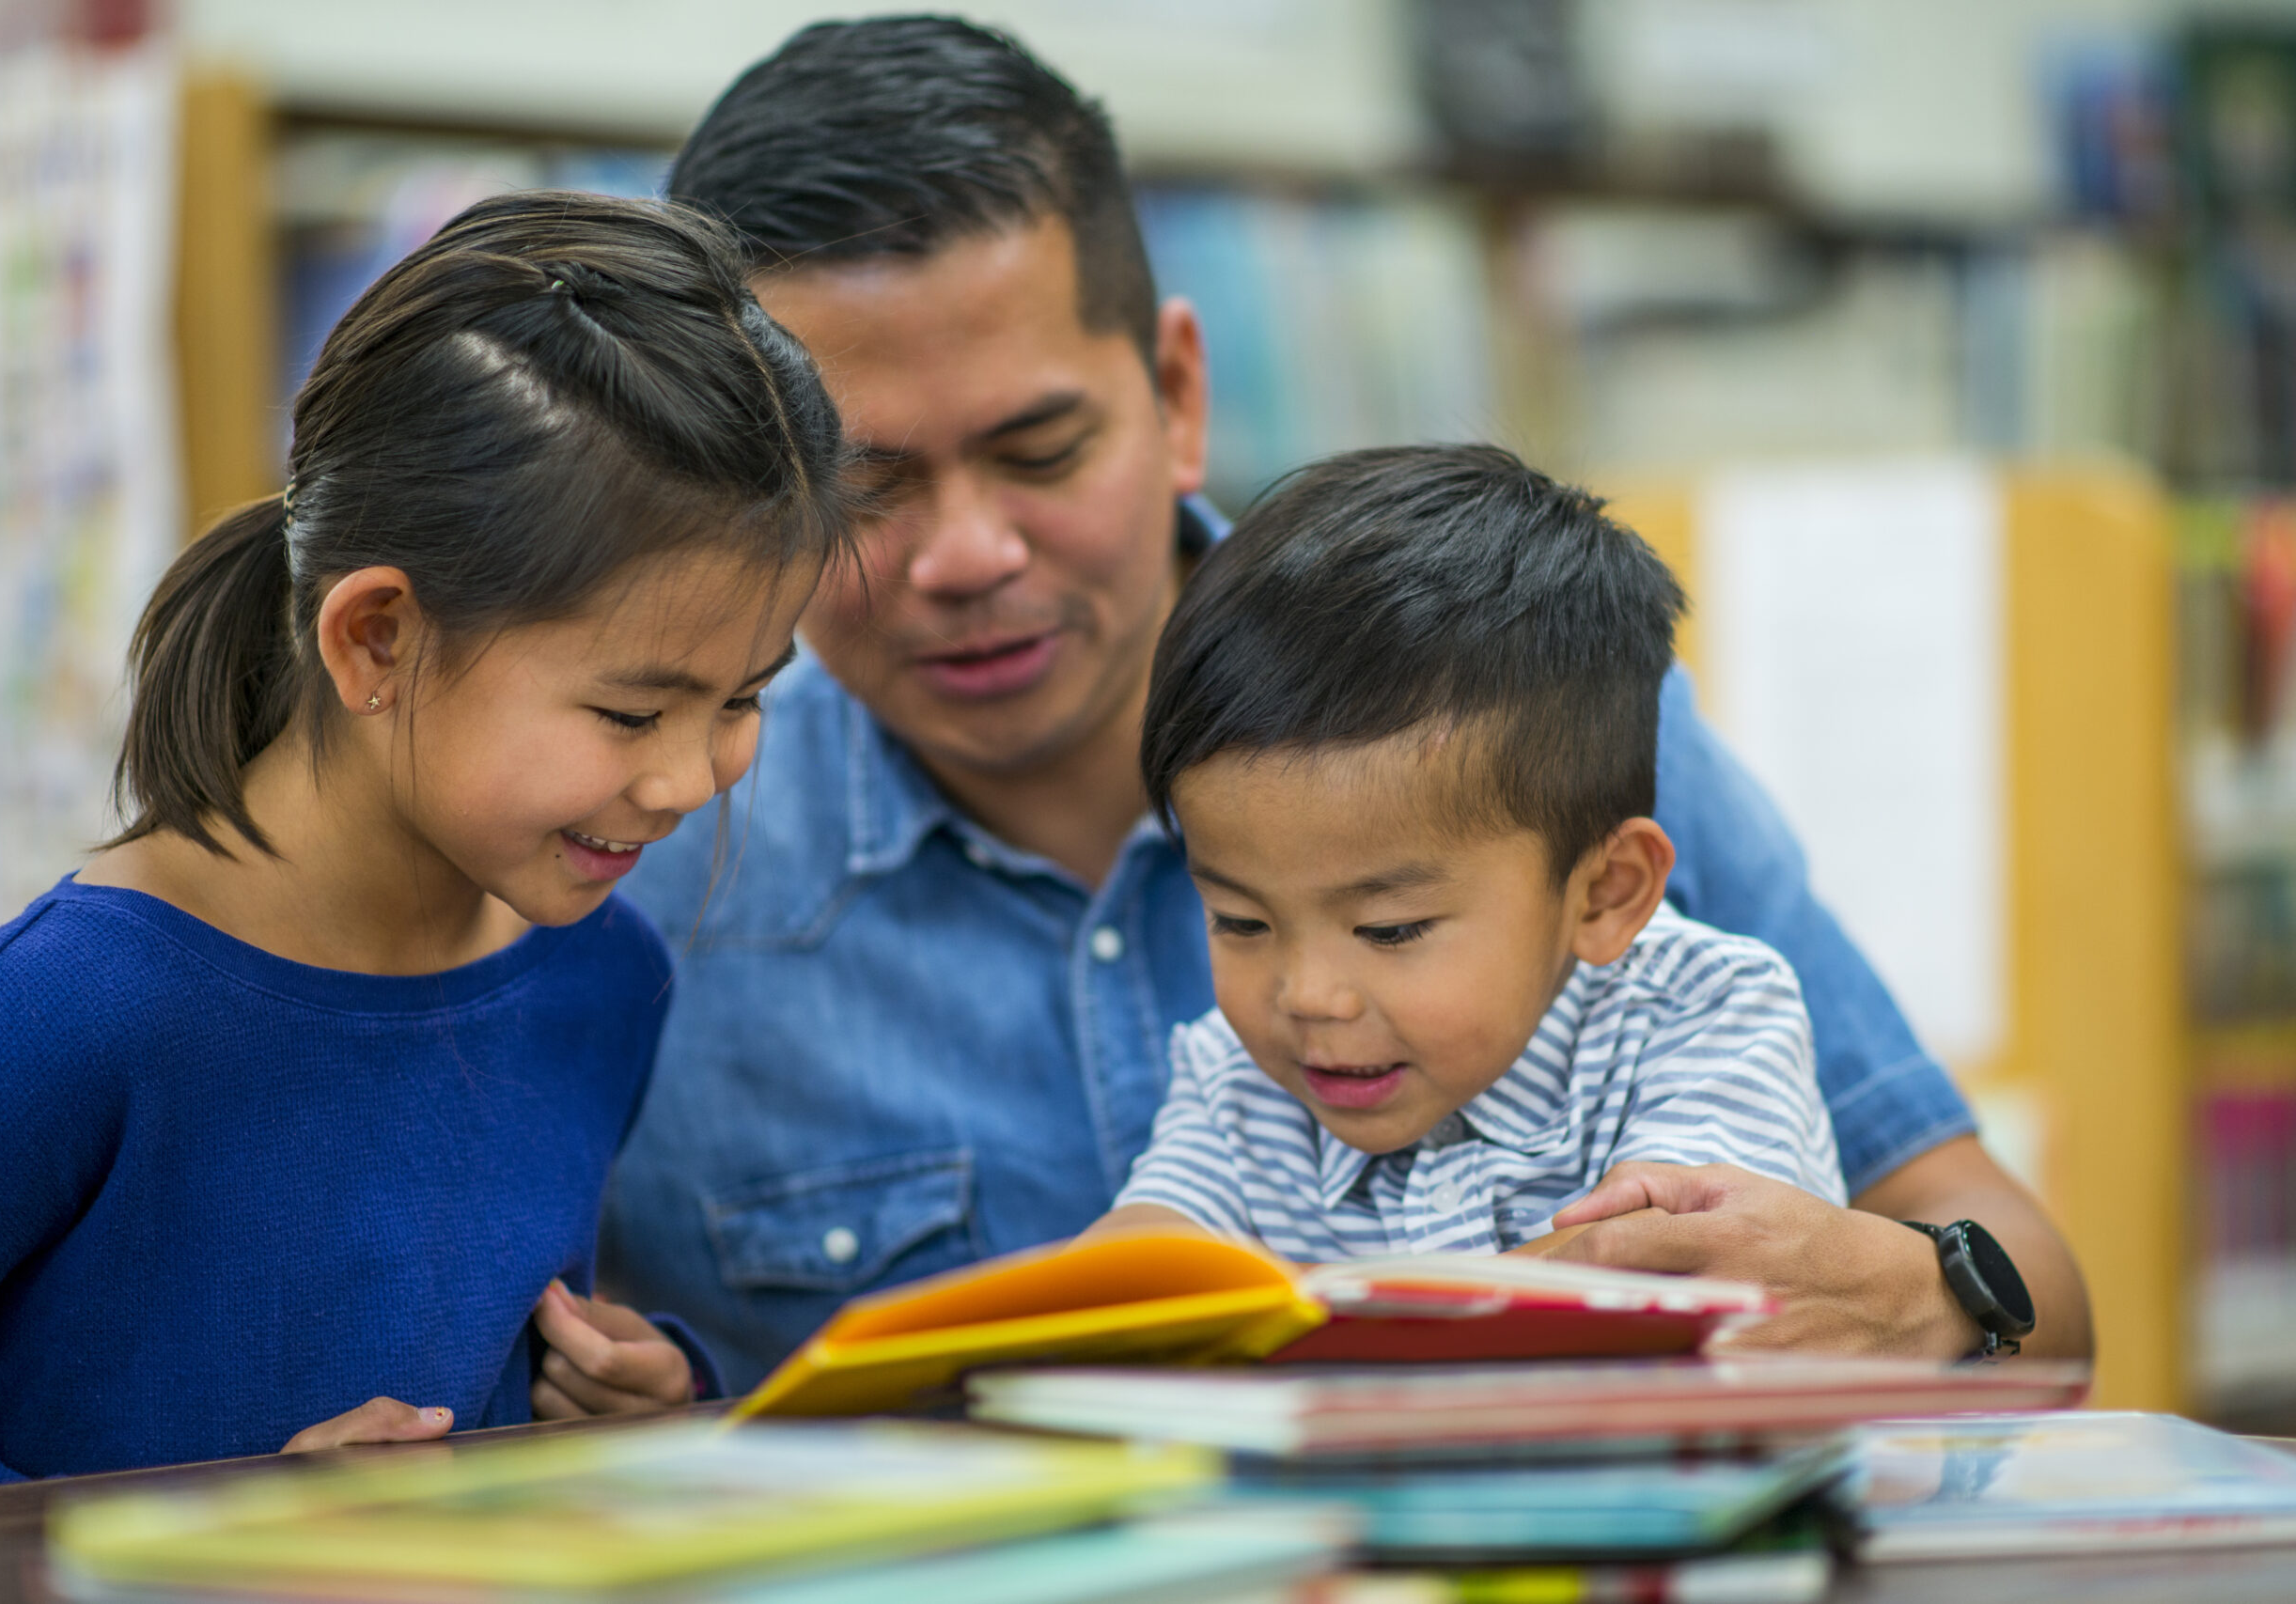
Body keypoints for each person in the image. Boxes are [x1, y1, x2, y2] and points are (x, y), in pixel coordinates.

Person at [601, 15, 2089, 1392]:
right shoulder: (632, 859)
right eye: (867, 490)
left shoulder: (1539, 724)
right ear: (758, 494)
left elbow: (2044, 1299)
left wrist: (1933, 1290)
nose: (970, 553)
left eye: (1043, 450)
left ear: (1180, 393)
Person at [0, 192, 849, 1489]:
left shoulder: (604, 978)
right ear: (377, 638)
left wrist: (656, 1394)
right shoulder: (68, 1009)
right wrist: (206, 1536)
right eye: (631, 708)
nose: (691, 777)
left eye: (742, 696)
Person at [1094, 444, 1845, 1255]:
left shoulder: (1704, 1017)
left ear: (1604, 892)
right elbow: (1138, 1259)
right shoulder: (1232, 1085)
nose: (1309, 996)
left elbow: (1661, 1269)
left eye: (1390, 929)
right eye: (1240, 921)